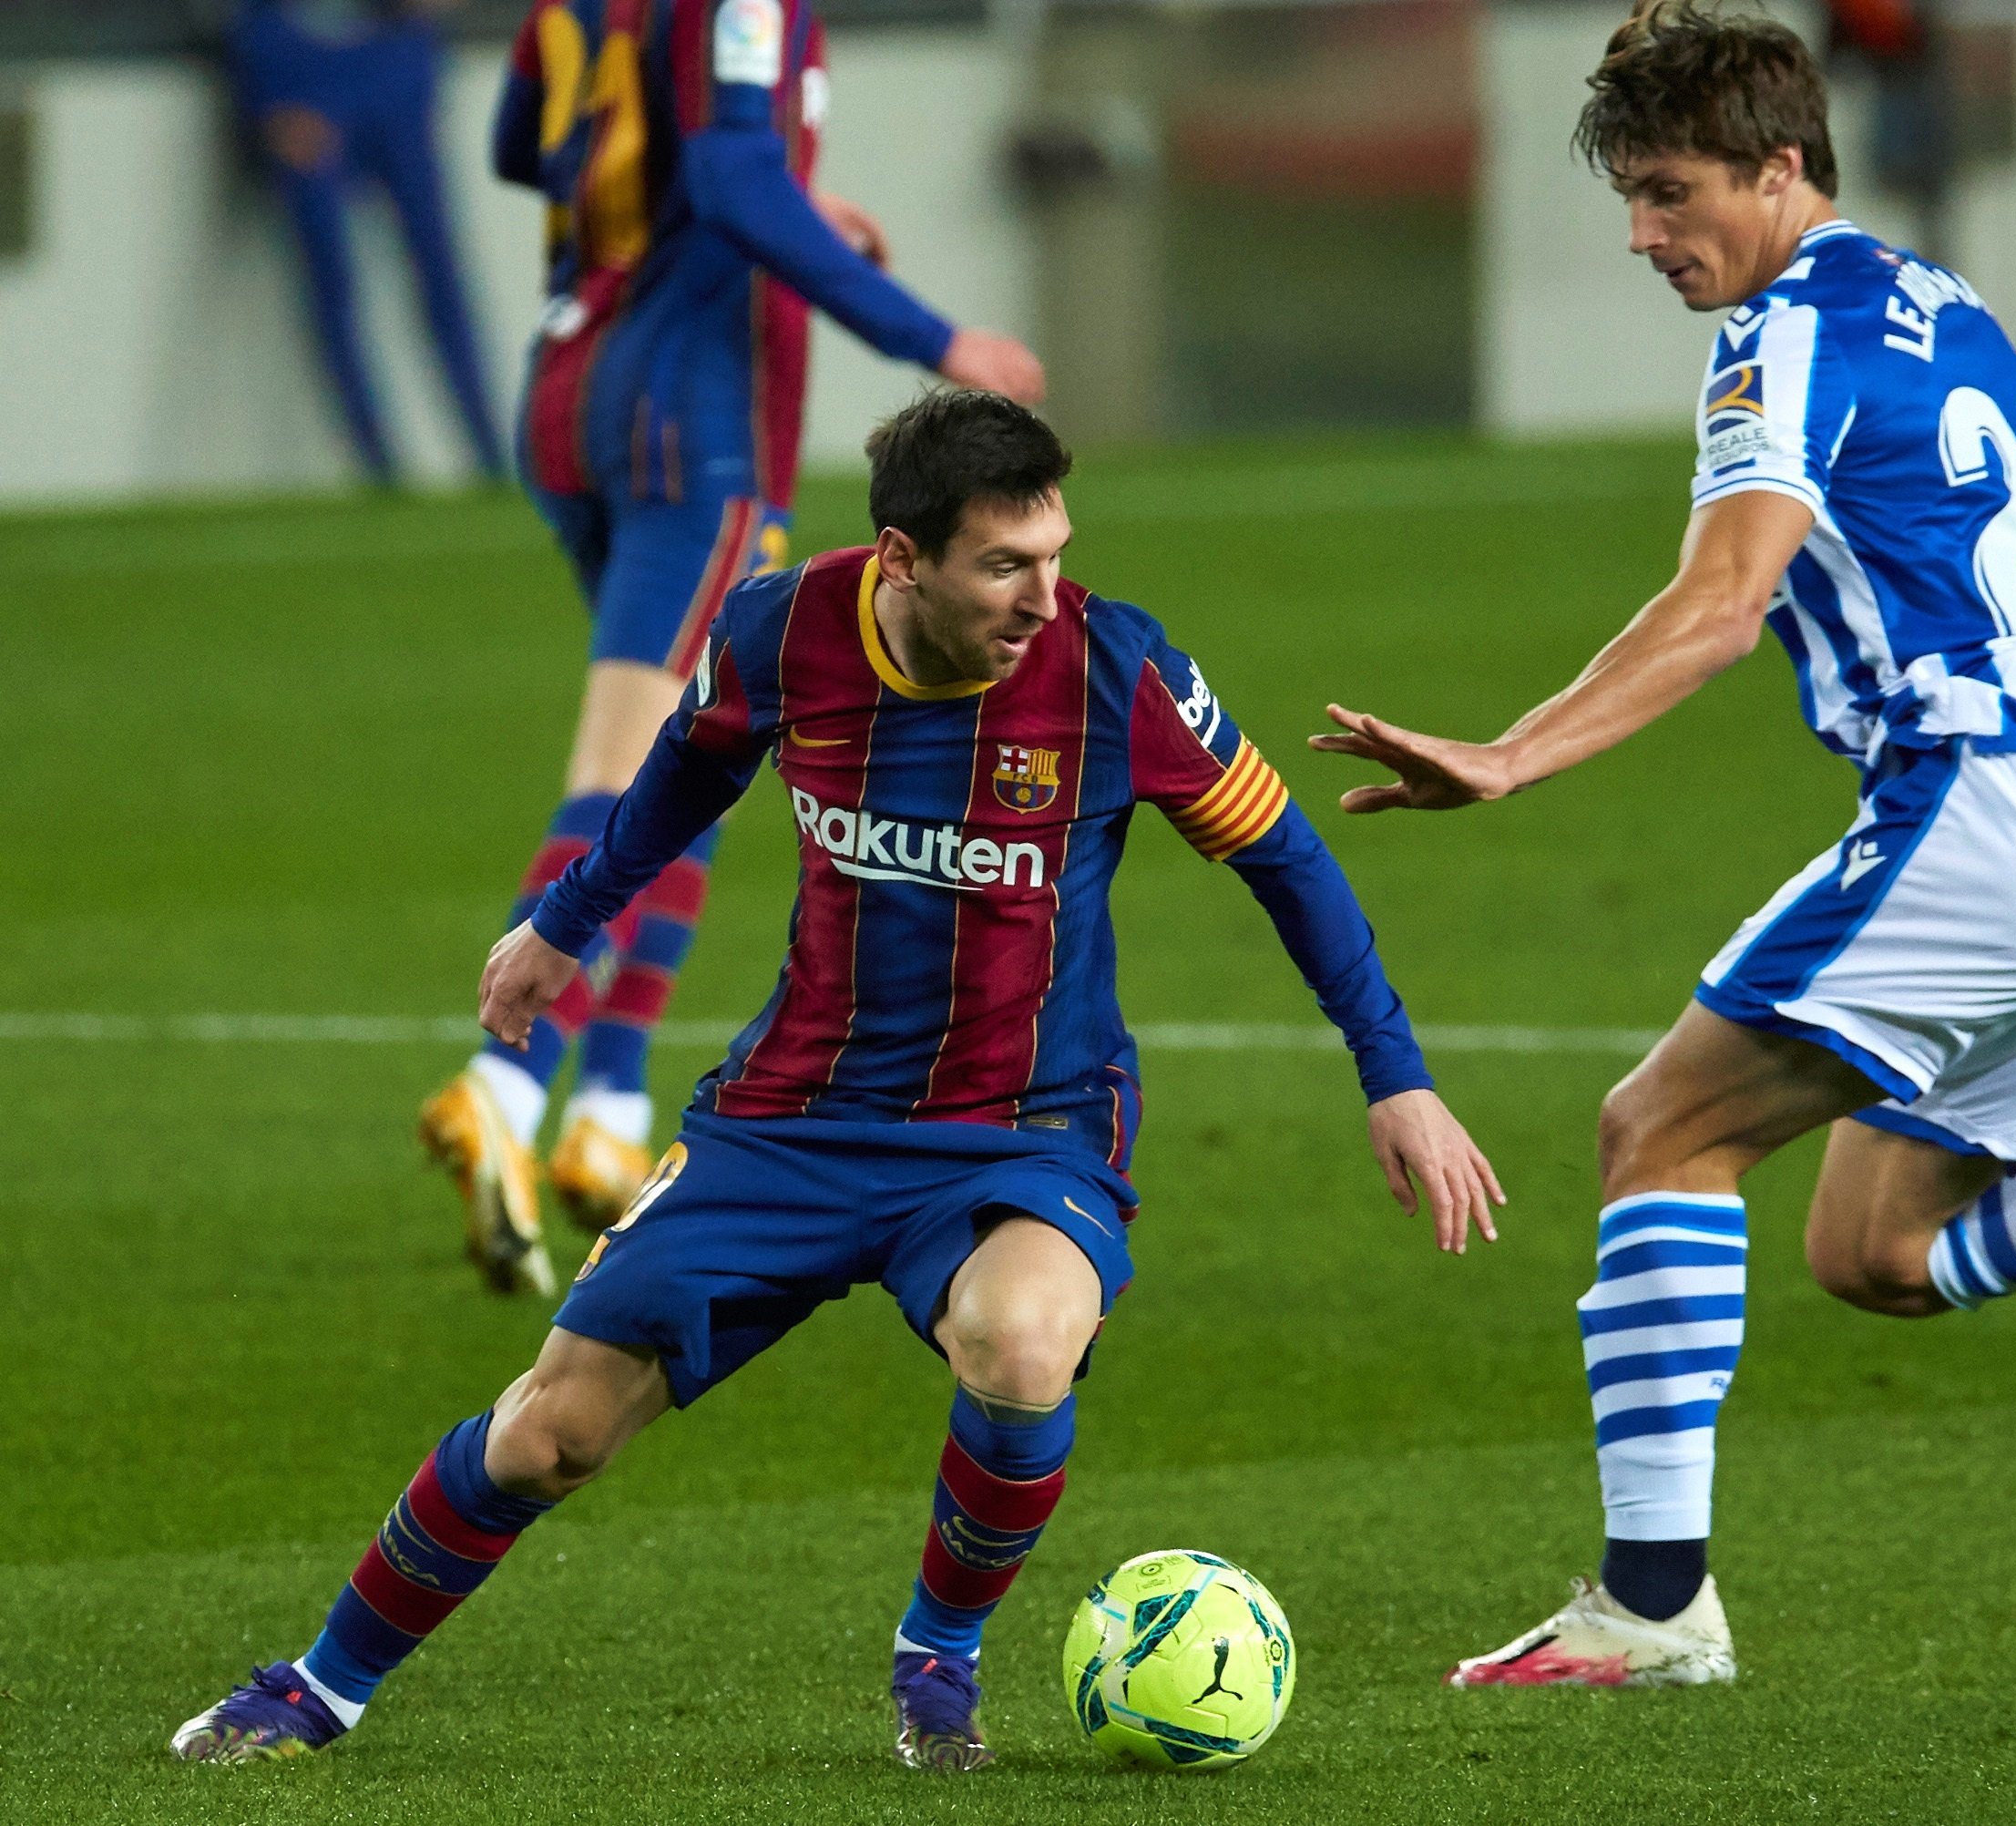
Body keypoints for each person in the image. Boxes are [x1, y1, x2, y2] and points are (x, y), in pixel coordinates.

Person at [1311, 0, 2016, 1688]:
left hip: (1994, 809)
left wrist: (1510, 753)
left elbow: (1720, 600)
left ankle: (1651, 1603)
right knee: (1878, 1251)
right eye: (1627, 196)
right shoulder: (1953, 310)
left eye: (1674, 191)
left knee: (1660, 1128)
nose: (1644, 234)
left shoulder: (1778, 339)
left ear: (1780, 169)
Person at [174, 390, 1501, 1769]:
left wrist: (1392, 1074)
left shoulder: (1118, 669)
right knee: (551, 1434)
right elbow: (681, 778)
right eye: (1005, 566)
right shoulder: (782, 628)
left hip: (1023, 1127)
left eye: (1054, 553)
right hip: (790, 1119)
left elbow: (1285, 856)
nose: (1045, 596)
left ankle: (939, 1660)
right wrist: (563, 925)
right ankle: (317, 1688)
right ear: (902, 558)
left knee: (1024, 1342)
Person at [421, 0, 1050, 1296]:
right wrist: (935, 341)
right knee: (631, 760)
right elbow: (730, 174)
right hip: (691, 412)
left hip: (572, 384)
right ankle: (502, 1078)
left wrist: (775, 219)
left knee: (704, 733)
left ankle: (603, 1112)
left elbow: (518, 142)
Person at [227, 0, 506, 486]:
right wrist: (268, 89)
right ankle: (378, 464)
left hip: (391, 60)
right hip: (303, 66)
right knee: (332, 276)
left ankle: (490, 454)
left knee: (438, 265)